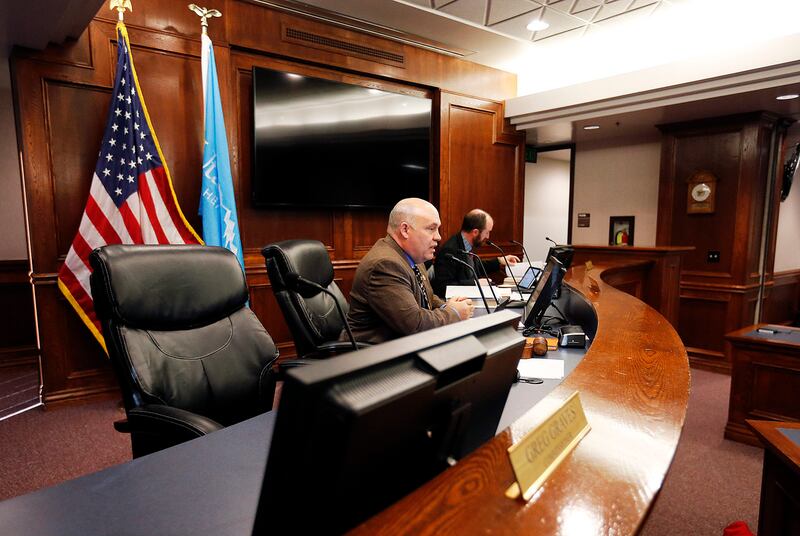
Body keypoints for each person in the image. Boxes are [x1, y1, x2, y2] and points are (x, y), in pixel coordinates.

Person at [346, 198, 475, 344]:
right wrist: (454, 313)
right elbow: (415, 325)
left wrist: (447, 305)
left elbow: (428, 298)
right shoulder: (385, 265)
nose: (438, 237)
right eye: (431, 228)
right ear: (405, 230)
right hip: (376, 356)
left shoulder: (413, 258)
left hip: (403, 345)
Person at [432, 209, 519, 299]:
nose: (488, 237)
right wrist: (475, 283)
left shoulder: (467, 245)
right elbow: (443, 287)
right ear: (475, 232)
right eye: (487, 232)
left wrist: (500, 261)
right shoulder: (450, 250)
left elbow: (475, 267)